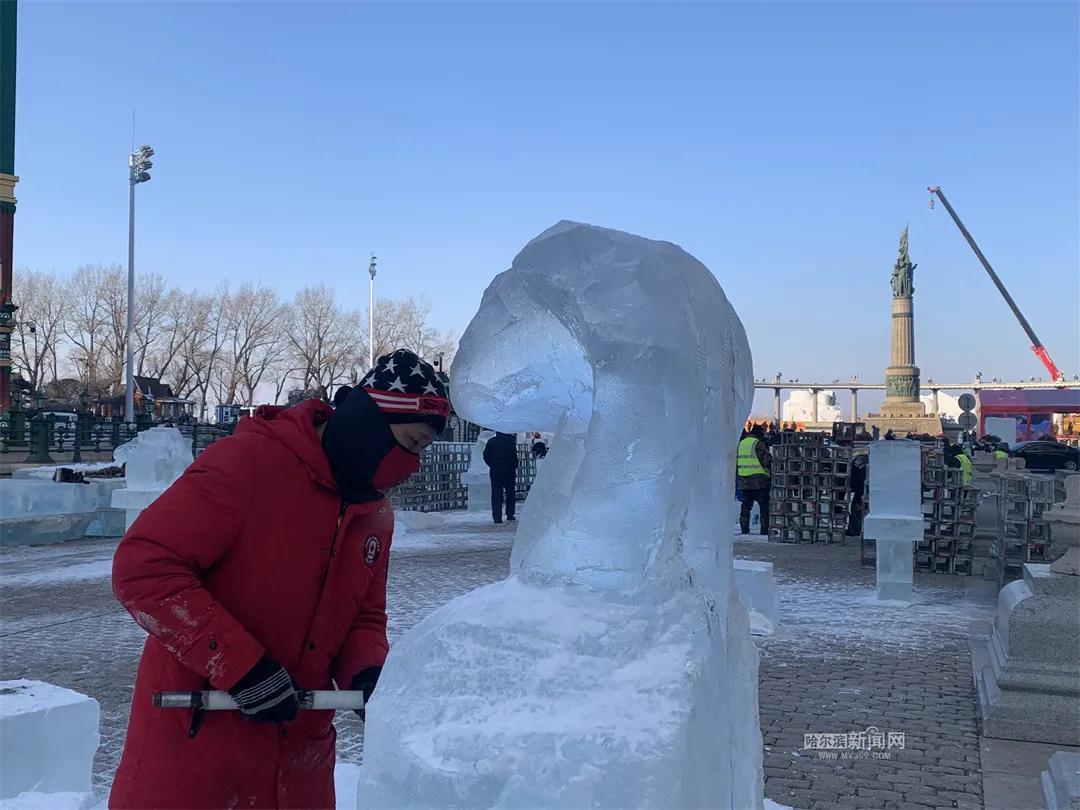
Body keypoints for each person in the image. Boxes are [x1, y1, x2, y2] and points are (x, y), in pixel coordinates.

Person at [108, 349, 450, 810]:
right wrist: (239, 665)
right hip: (198, 755)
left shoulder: (375, 513)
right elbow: (144, 567)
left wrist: (368, 673)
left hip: (300, 766)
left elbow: (365, 616)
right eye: (410, 444)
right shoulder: (248, 463)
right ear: (368, 420)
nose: (412, 467)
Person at [737, 424, 772, 535]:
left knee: (746, 506)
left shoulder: (741, 443)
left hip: (744, 481)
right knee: (764, 507)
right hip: (759, 481)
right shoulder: (758, 444)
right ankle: (764, 529)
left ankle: (744, 528)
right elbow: (766, 461)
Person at [484, 431, 519, 524]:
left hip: (495, 471)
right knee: (510, 493)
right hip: (509, 470)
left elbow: (486, 456)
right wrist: (514, 466)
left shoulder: (491, 441)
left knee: (496, 494)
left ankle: (497, 517)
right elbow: (514, 456)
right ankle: (510, 514)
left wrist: (492, 465)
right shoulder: (511, 441)